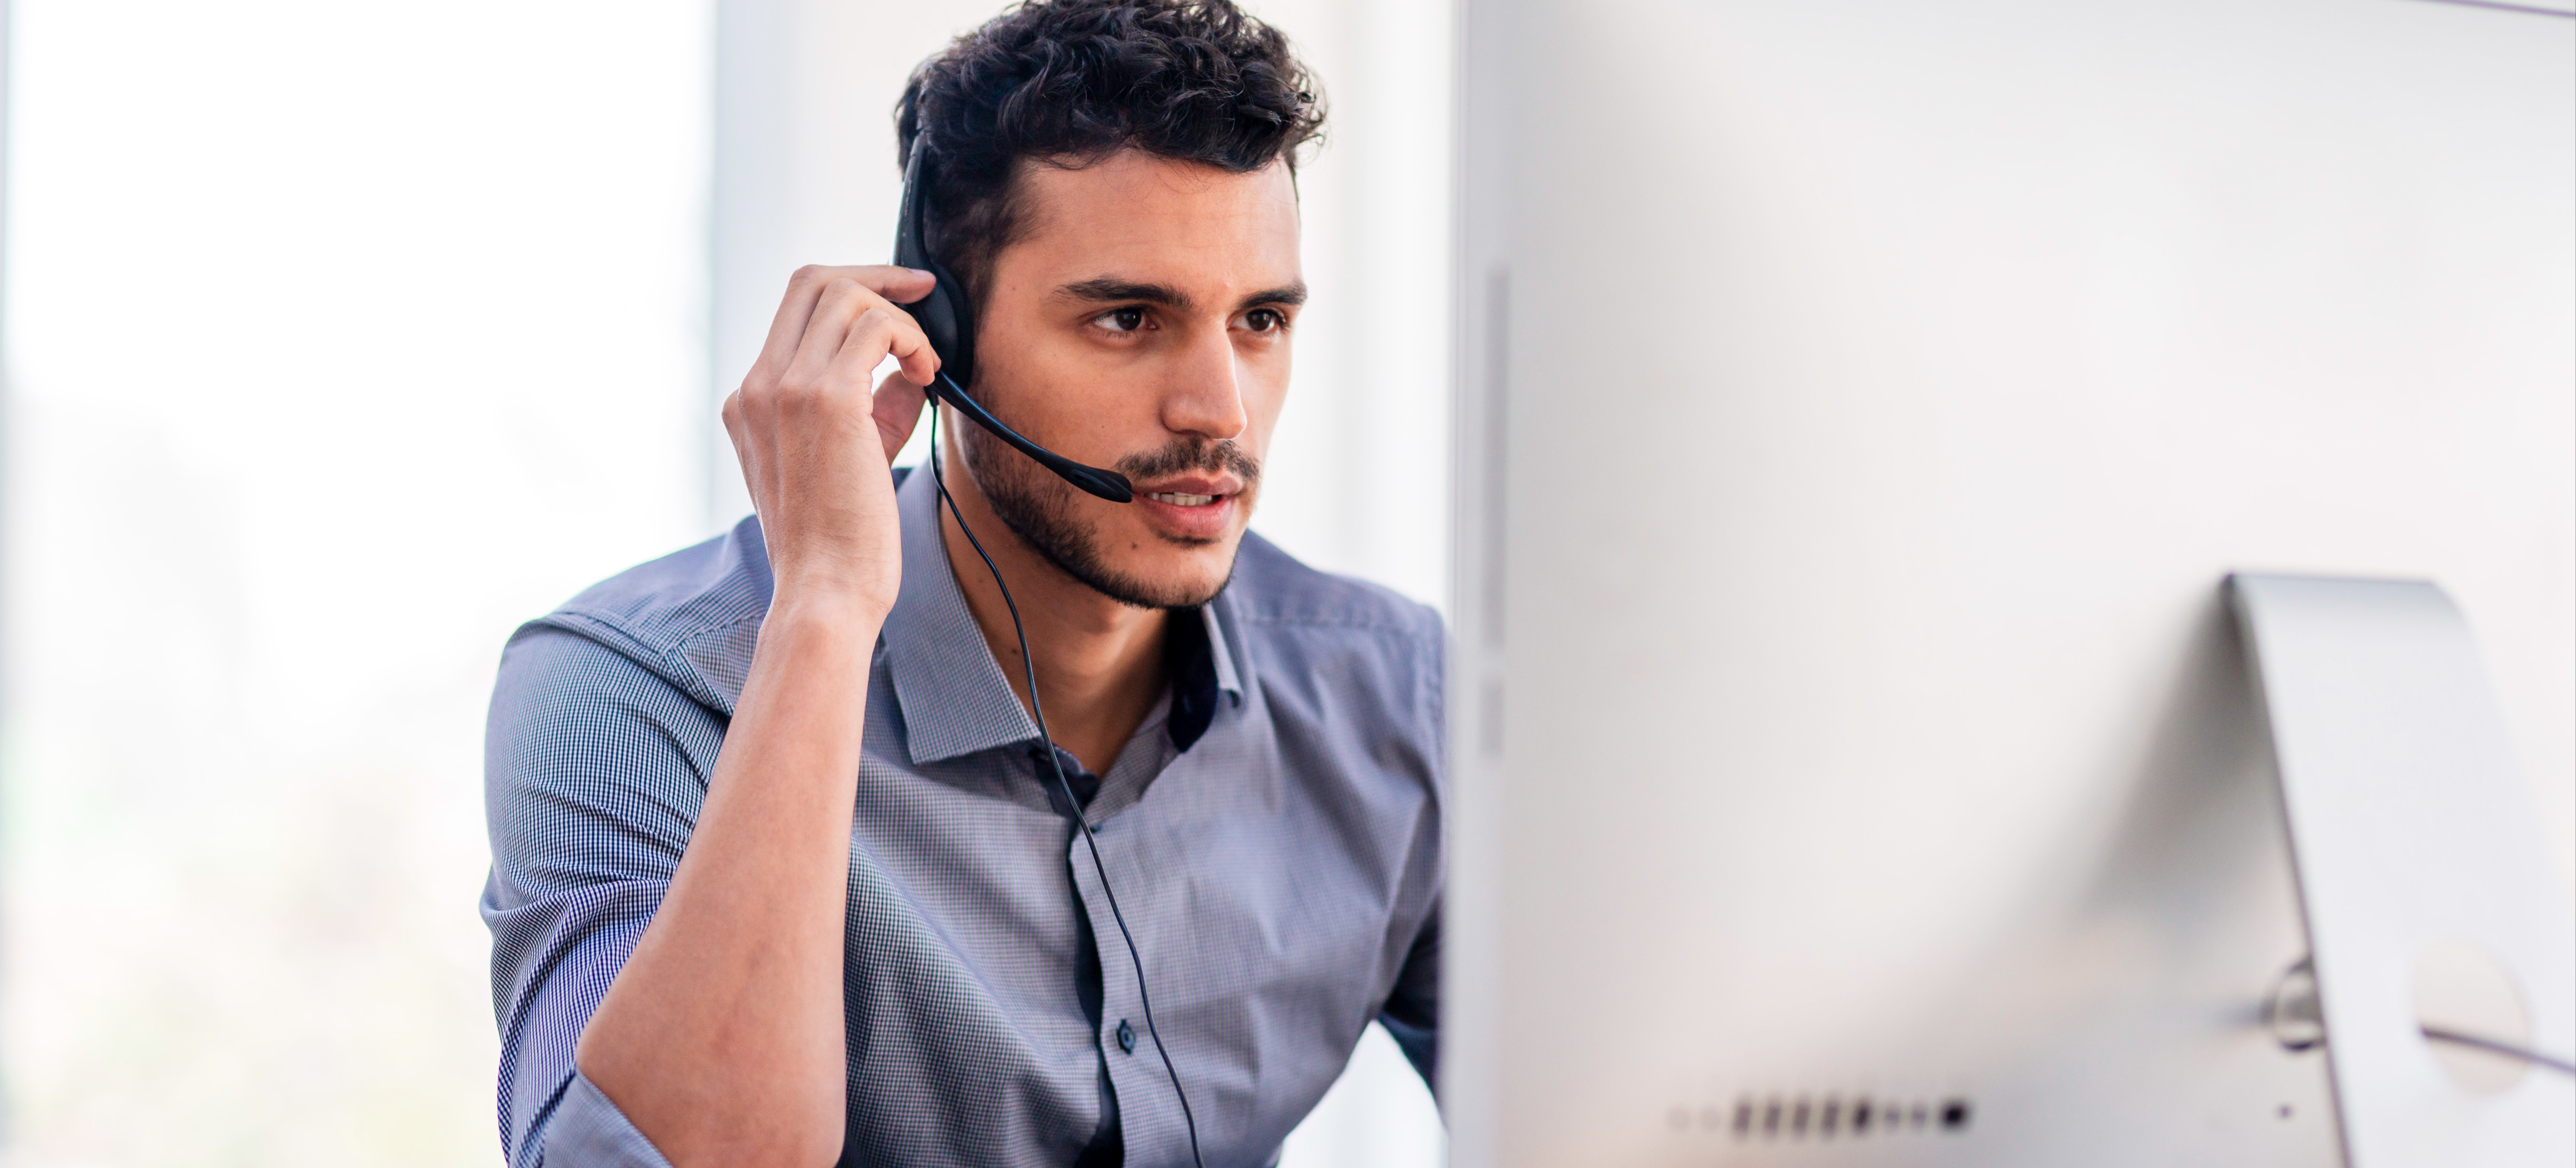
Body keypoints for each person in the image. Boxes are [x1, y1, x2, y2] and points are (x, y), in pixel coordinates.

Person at [478, 2, 1443, 1164]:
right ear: (935, 340)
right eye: (1128, 318)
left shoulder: (1398, 699)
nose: (1219, 411)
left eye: (1260, 321)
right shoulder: (634, 691)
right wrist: (825, 610)